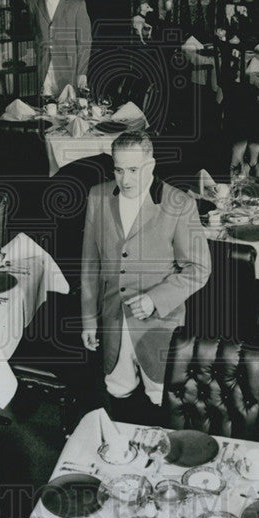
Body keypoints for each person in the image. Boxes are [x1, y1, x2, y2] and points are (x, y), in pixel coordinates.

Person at [81, 131, 211, 422]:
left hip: (158, 326)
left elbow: (199, 268)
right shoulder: (98, 197)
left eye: (133, 170)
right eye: (118, 169)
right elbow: (90, 264)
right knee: (118, 391)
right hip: (113, 319)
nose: (124, 179)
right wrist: (89, 318)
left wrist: (155, 299)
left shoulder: (179, 204)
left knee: (161, 397)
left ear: (150, 165)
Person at [27, 0, 92, 99]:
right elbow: (35, 31)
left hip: (69, 67)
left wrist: (82, 72)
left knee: (68, 110)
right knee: (47, 108)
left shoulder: (77, 4)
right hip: (44, 65)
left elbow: (85, 42)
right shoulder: (33, 2)